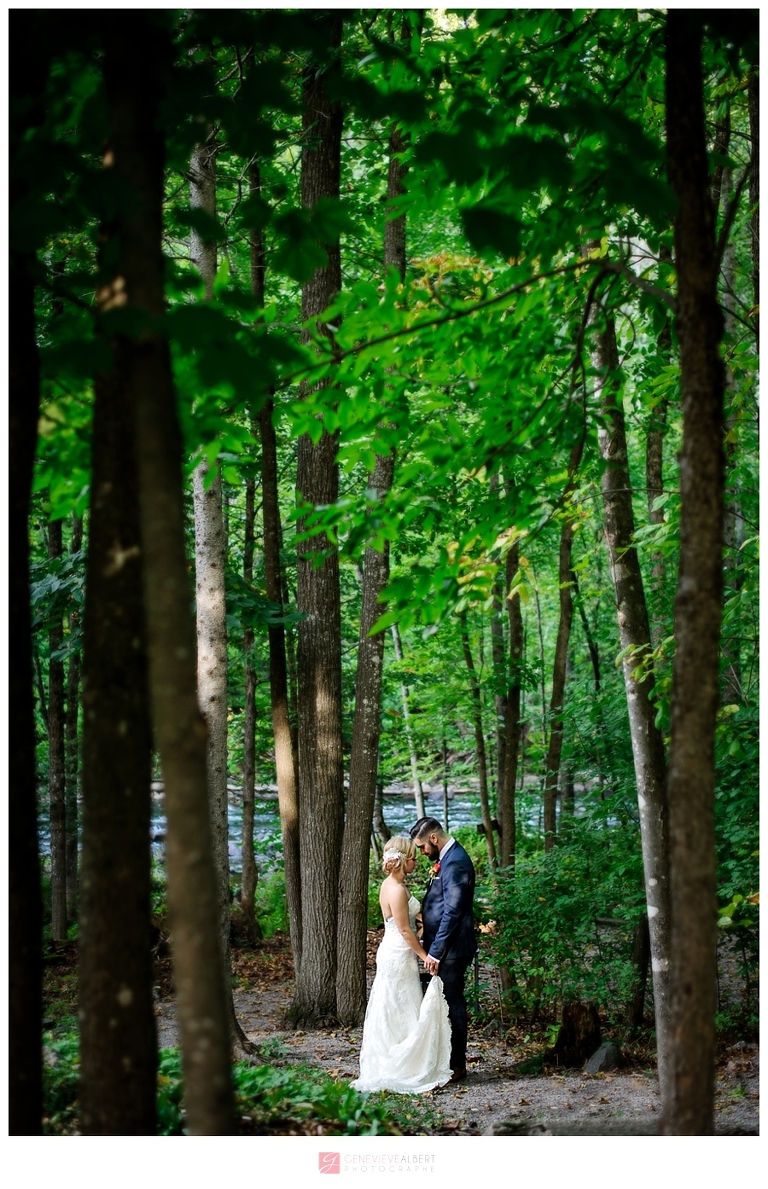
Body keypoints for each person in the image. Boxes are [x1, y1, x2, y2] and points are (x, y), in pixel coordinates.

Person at [351, 836, 452, 1094]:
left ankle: (404, 1056)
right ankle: (399, 1064)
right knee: (398, 1005)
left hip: (398, 952)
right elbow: (405, 931)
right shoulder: (395, 890)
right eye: (413, 858)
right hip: (398, 954)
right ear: (402, 860)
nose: (416, 862)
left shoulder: (394, 884)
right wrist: (424, 956)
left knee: (400, 1006)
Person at [410, 817, 477, 1083]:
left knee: (453, 1005)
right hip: (444, 945)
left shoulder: (457, 861)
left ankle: (457, 1066)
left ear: (434, 839)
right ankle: (447, 1062)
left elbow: (454, 910)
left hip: (453, 948)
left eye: (423, 847)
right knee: (445, 1004)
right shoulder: (448, 859)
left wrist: (436, 951)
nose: (423, 852)